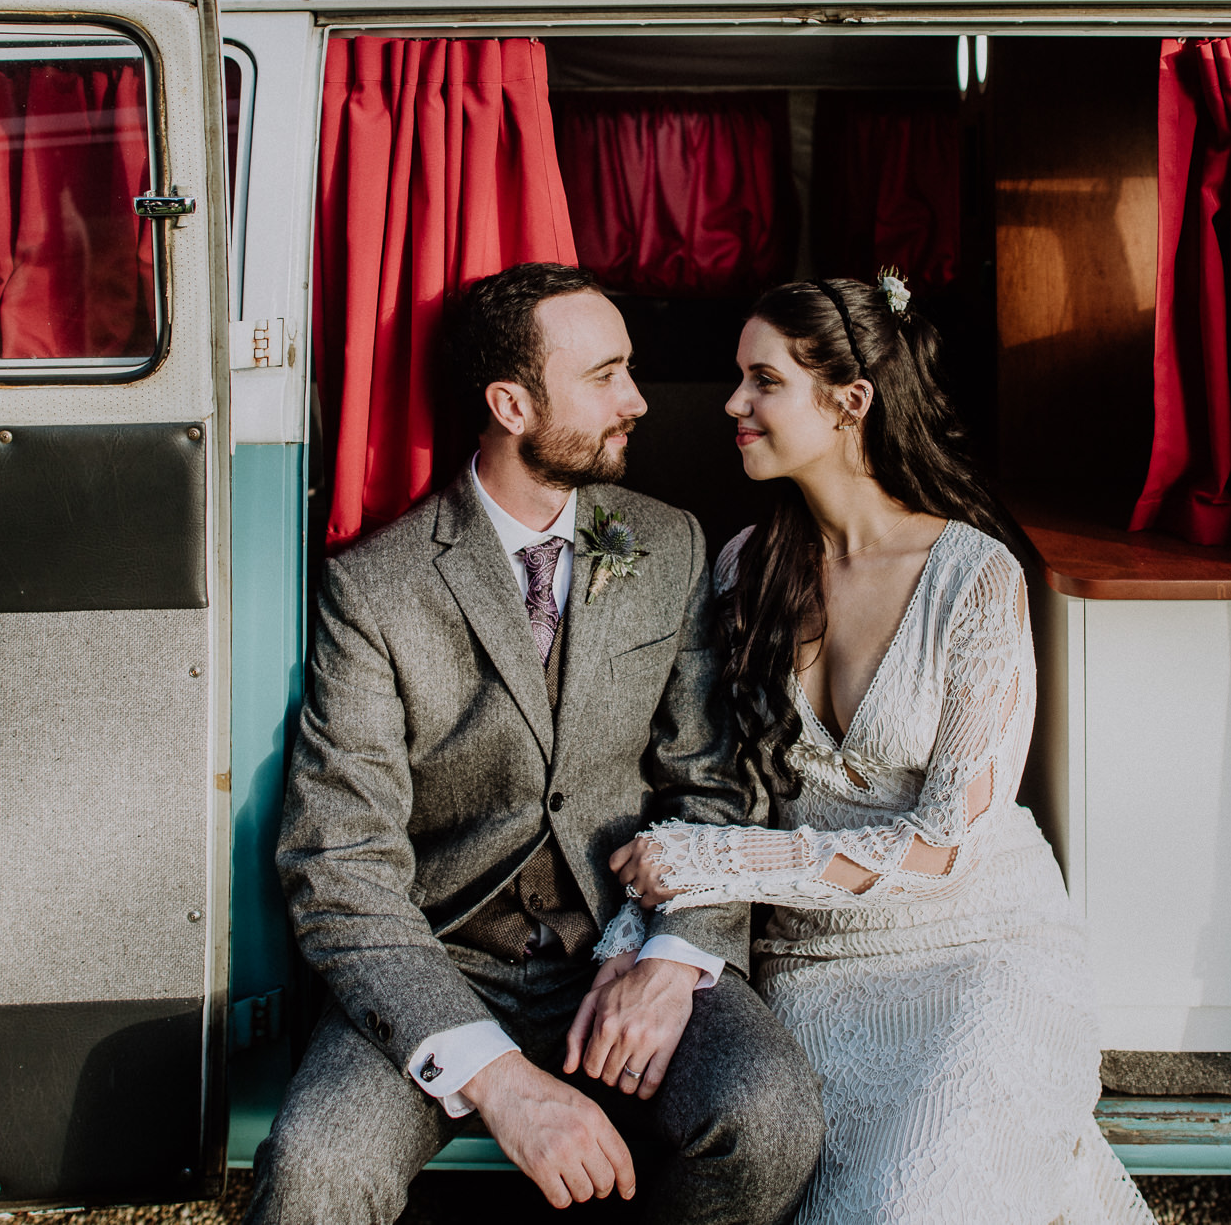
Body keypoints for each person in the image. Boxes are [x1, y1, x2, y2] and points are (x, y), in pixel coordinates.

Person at [248, 262, 824, 1225]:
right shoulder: (375, 590)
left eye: (629, 370)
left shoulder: (667, 542)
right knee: (315, 1171)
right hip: (437, 959)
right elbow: (339, 866)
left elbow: (713, 791)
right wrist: (500, 1080)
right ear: (511, 403)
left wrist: (670, 956)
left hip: (621, 943)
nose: (638, 400)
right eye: (606, 376)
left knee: (767, 1122)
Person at [608, 277, 1158, 1224]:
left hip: (979, 948)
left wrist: (713, 863)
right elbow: (709, 777)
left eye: (761, 380)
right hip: (813, 969)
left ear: (849, 401)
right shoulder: (744, 567)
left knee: (924, 1203)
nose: (732, 404)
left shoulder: (975, 578)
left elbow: (948, 843)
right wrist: (641, 928)